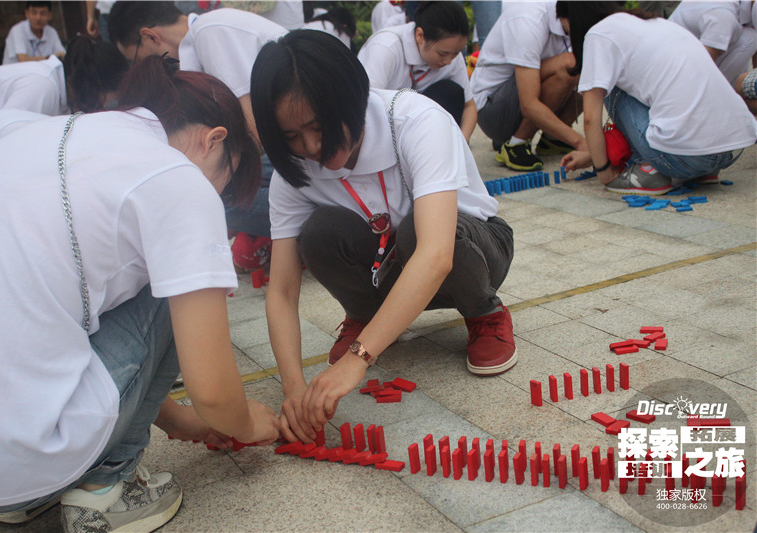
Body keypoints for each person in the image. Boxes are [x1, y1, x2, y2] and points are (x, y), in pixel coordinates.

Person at [0, 56, 279, 532]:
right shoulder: (177, 178)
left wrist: (179, 421)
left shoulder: (39, 135)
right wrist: (250, 424)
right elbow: (212, 391)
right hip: (30, 449)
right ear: (214, 140)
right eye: (225, 181)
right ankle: (107, 487)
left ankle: (22, 498)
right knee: (181, 285)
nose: (215, 194)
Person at [251, 31, 516, 442]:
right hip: (389, 267)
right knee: (318, 233)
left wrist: (358, 359)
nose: (312, 147)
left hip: (474, 250)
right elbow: (282, 291)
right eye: (291, 137)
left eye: (319, 127)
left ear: (351, 96)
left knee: (419, 231)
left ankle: (485, 313)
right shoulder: (297, 171)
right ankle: (366, 318)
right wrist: (294, 390)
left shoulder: (415, 121)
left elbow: (434, 256)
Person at [109, 1, 287, 270]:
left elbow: (252, 134)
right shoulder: (201, 41)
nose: (144, 70)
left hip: (297, 149)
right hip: (282, 150)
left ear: (149, 36)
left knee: (208, 202)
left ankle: (307, 225)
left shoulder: (210, 32)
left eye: (137, 59)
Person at [557, 1, 757, 194]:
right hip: (729, 150)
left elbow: (591, 119)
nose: (569, 37)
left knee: (609, 87)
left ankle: (646, 169)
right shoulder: (653, 22)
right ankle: (702, 171)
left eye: (567, 31)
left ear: (574, 19)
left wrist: (605, 173)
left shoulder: (599, 34)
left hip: (684, 160)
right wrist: (593, 155)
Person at [0, 36, 129, 171]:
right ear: (92, 86)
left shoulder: (61, 89)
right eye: (105, 97)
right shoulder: (42, 87)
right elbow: (8, 146)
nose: (104, 105)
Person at [470, 0, 586, 172]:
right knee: (570, 65)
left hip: (520, 91)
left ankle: (552, 140)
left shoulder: (570, 17)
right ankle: (516, 145)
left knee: (589, 65)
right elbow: (529, 104)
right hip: (492, 108)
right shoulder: (528, 18)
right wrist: (583, 143)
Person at [358, 1, 477, 144]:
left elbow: (469, 106)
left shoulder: (451, 56)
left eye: (455, 54)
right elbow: (366, 107)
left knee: (451, 92)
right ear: (420, 35)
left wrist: (461, 144)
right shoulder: (385, 48)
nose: (448, 61)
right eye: (442, 54)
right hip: (382, 128)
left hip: (418, 129)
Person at [668, 0, 757, 85]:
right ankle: (721, 90)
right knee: (750, 39)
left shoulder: (738, 5)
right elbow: (703, 63)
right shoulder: (724, 18)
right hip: (674, 67)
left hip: (678, 52)